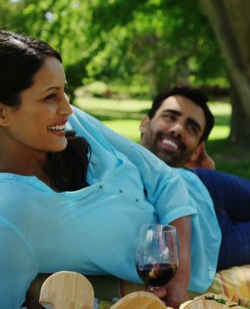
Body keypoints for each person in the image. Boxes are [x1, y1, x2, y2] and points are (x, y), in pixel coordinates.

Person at [0, 30, 217, 308]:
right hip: (213, 246)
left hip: (195, 190)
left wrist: (179, 277)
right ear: (3, 112)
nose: (68, 108)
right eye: (50, 96)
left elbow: (166, 177)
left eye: (64, 91)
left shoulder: (71, 122)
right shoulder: (10, 214)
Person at [138, 85, 250, 270]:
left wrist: (204, 177)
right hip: (213, 245)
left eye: (192, 128)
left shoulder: (203, 176)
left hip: (212, 186)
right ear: (144, 123)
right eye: (170, 117)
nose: (178, 129)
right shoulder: (118, 165)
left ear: (197, 150)